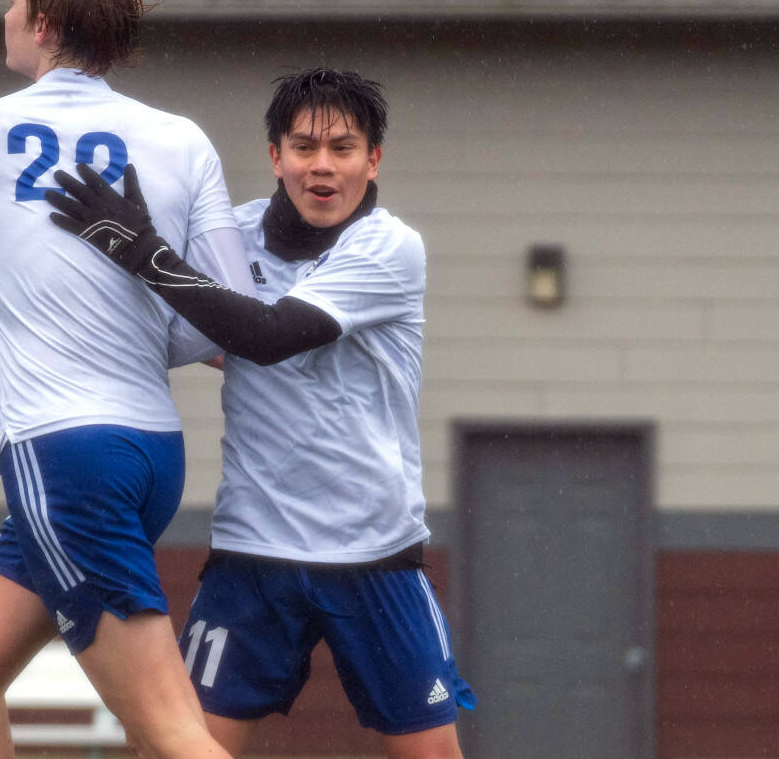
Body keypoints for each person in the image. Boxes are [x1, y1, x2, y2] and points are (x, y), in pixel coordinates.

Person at [45, 68, 476, 758]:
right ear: (275, 155)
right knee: (172, 748)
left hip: (374, 551)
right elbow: (150, 327)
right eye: (304, 147)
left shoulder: (390, 248)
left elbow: (266, 334)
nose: (323, 166)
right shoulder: (232, 237)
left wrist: (143, 249)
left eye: (343, 147)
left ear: (374, 159)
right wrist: (20, 360)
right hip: (253, 553)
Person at [0, 0, 252, 759]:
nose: (1, 15)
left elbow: (17, 278)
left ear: (41, 25)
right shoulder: (183, 140)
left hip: (61, 453)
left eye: (11, 1)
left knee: (171, 732)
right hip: (147, 455)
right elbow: (229, 315)